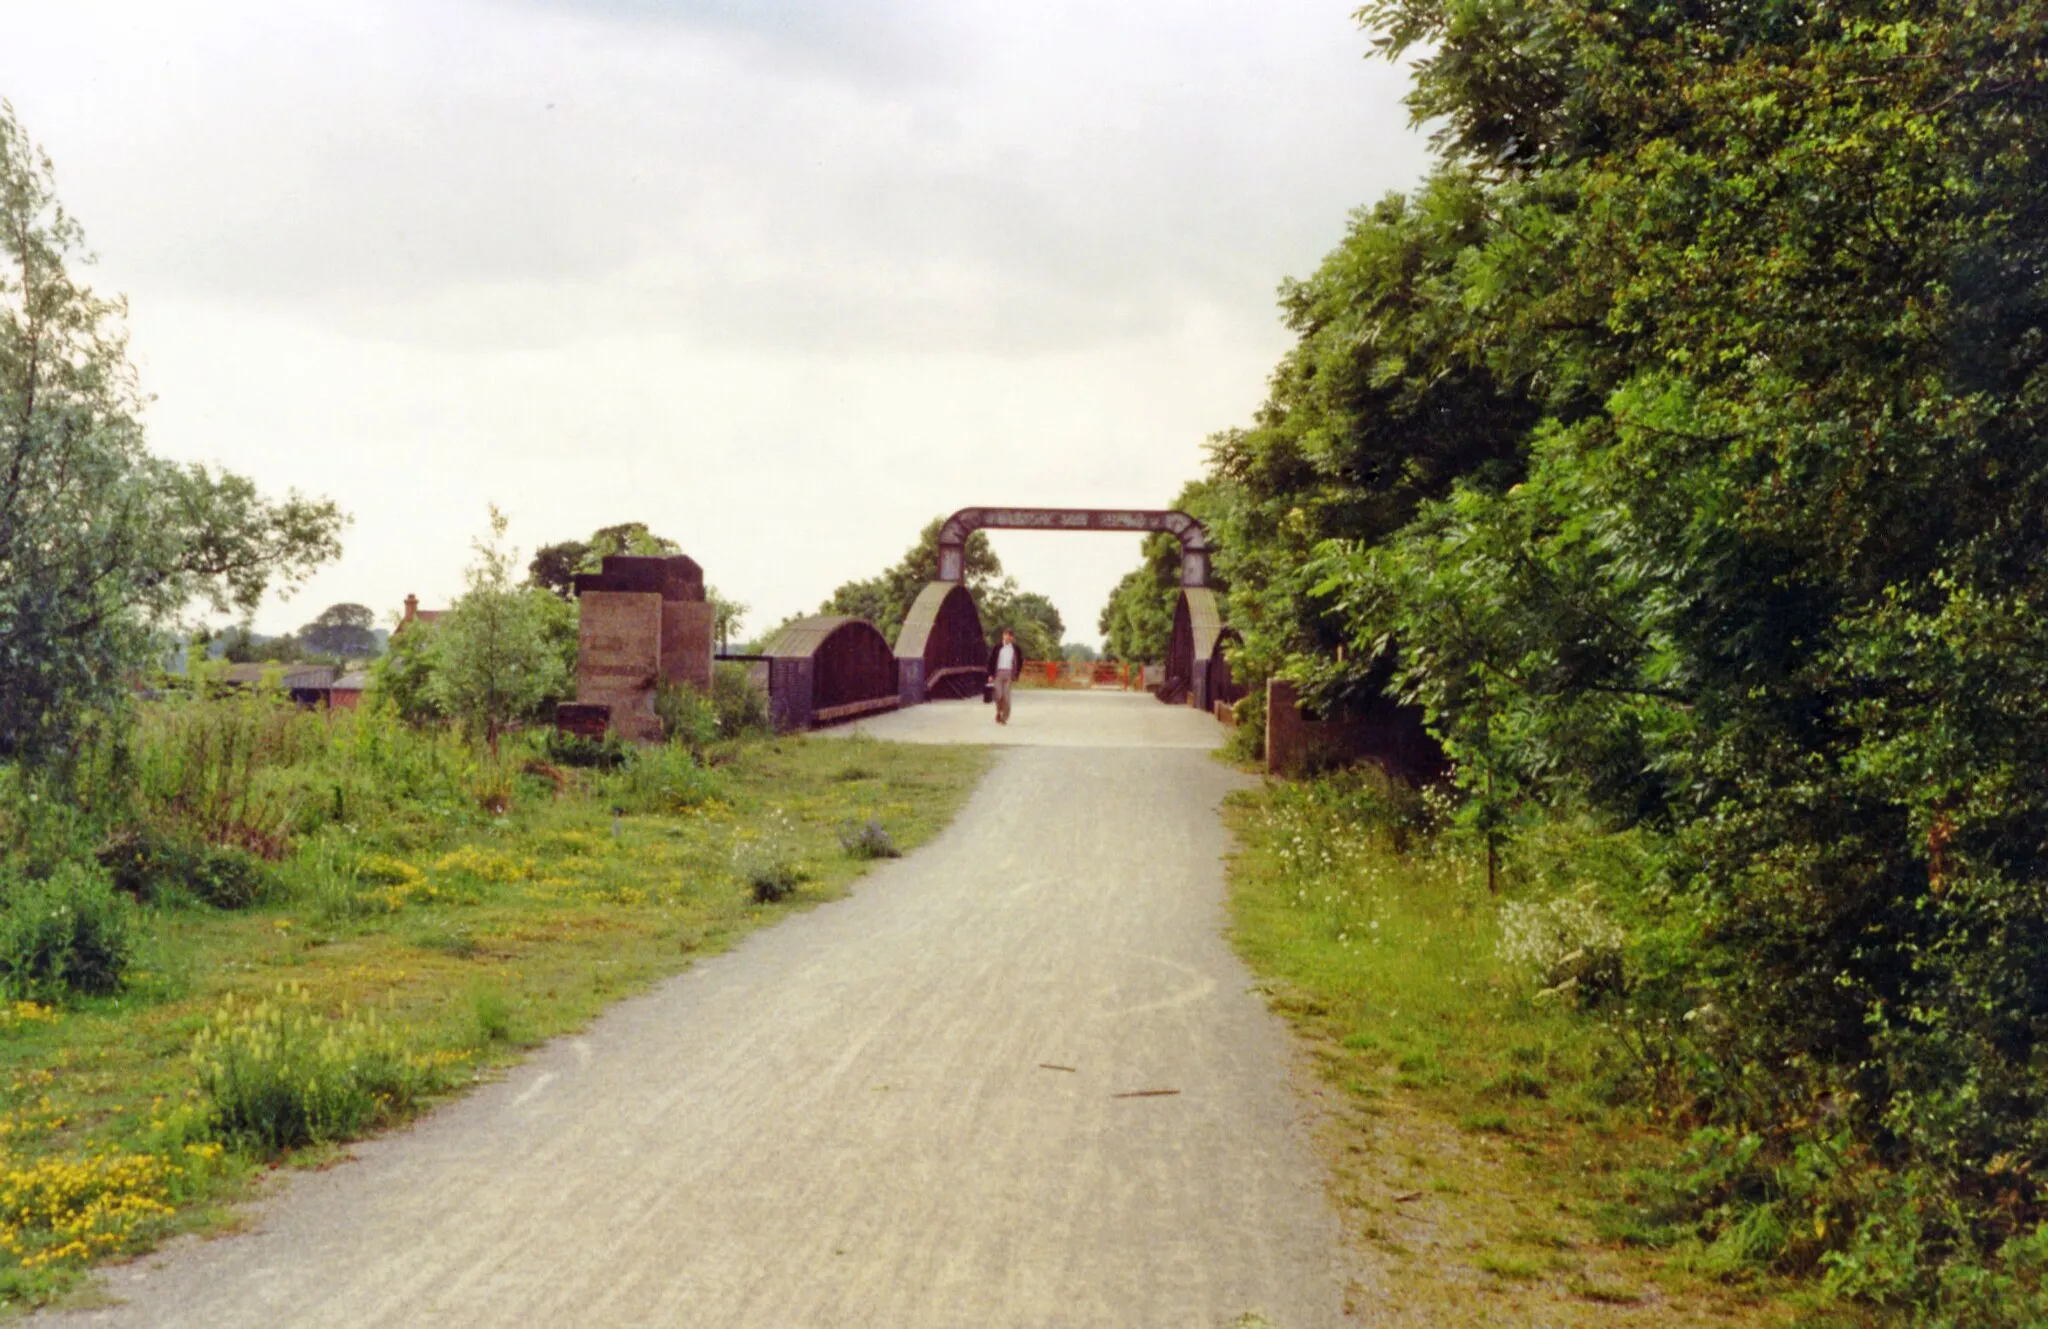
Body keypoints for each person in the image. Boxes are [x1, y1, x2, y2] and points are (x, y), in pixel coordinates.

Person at [987, 628, 1020, 725]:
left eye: (1009, 635)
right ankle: (998, 712)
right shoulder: (997, 647)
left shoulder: (1015, 649)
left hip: (1009, 674)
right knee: (998, 695)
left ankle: (1004, 717)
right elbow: (991, 661)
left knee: (1006, 697)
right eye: (1005, 635)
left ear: (1012, 638)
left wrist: (1016, 674)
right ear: (1003, 636)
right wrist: (990, 674)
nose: (1007, 637)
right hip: (998, 673)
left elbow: (1019, 662)